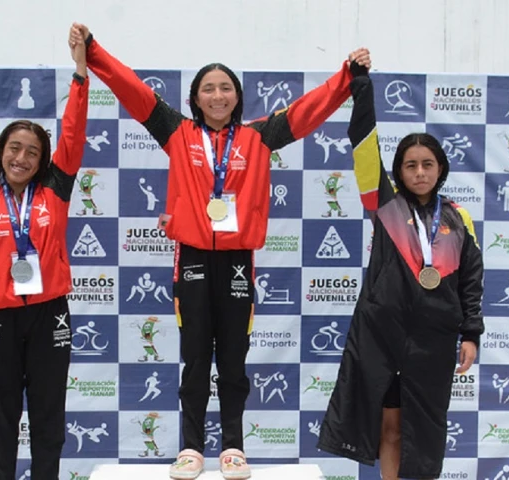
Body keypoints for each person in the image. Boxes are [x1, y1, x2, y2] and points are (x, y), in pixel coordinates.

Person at [69, 23, 370, 480]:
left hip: (236, 263)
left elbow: (309, 111)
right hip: (190, 259)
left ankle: (233, 447)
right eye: (208, 88)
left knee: (233, 359)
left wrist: (346, 76)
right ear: (195, 98)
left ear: (236, 97)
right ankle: (190, 448)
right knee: (194, 358)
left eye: (225, 87)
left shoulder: (259, 136)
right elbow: (132, 91)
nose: (217, 95)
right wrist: (93, 52)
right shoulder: (176, 132)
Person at [315, 63, 484, 480]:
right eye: (411, 165)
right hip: (384, 335)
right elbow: (363, 144)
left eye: (428, 164)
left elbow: (470, 281)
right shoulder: (386, 206)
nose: (420, 173)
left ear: (440, 168)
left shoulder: (458, 218)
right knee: (389, 426)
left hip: (434, 338)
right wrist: (362, 87)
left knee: (426, 429)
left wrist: (471, 333)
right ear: (399, 171)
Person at [0, 25, 89, 480]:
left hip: (50, 313)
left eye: (33, 152)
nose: (22, 158)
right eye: (15, 148)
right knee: (1, 420)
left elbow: (72, 133)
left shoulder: (55, 189)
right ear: (1, 152)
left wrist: (79, 70)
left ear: (43, 160)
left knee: (48, 419)